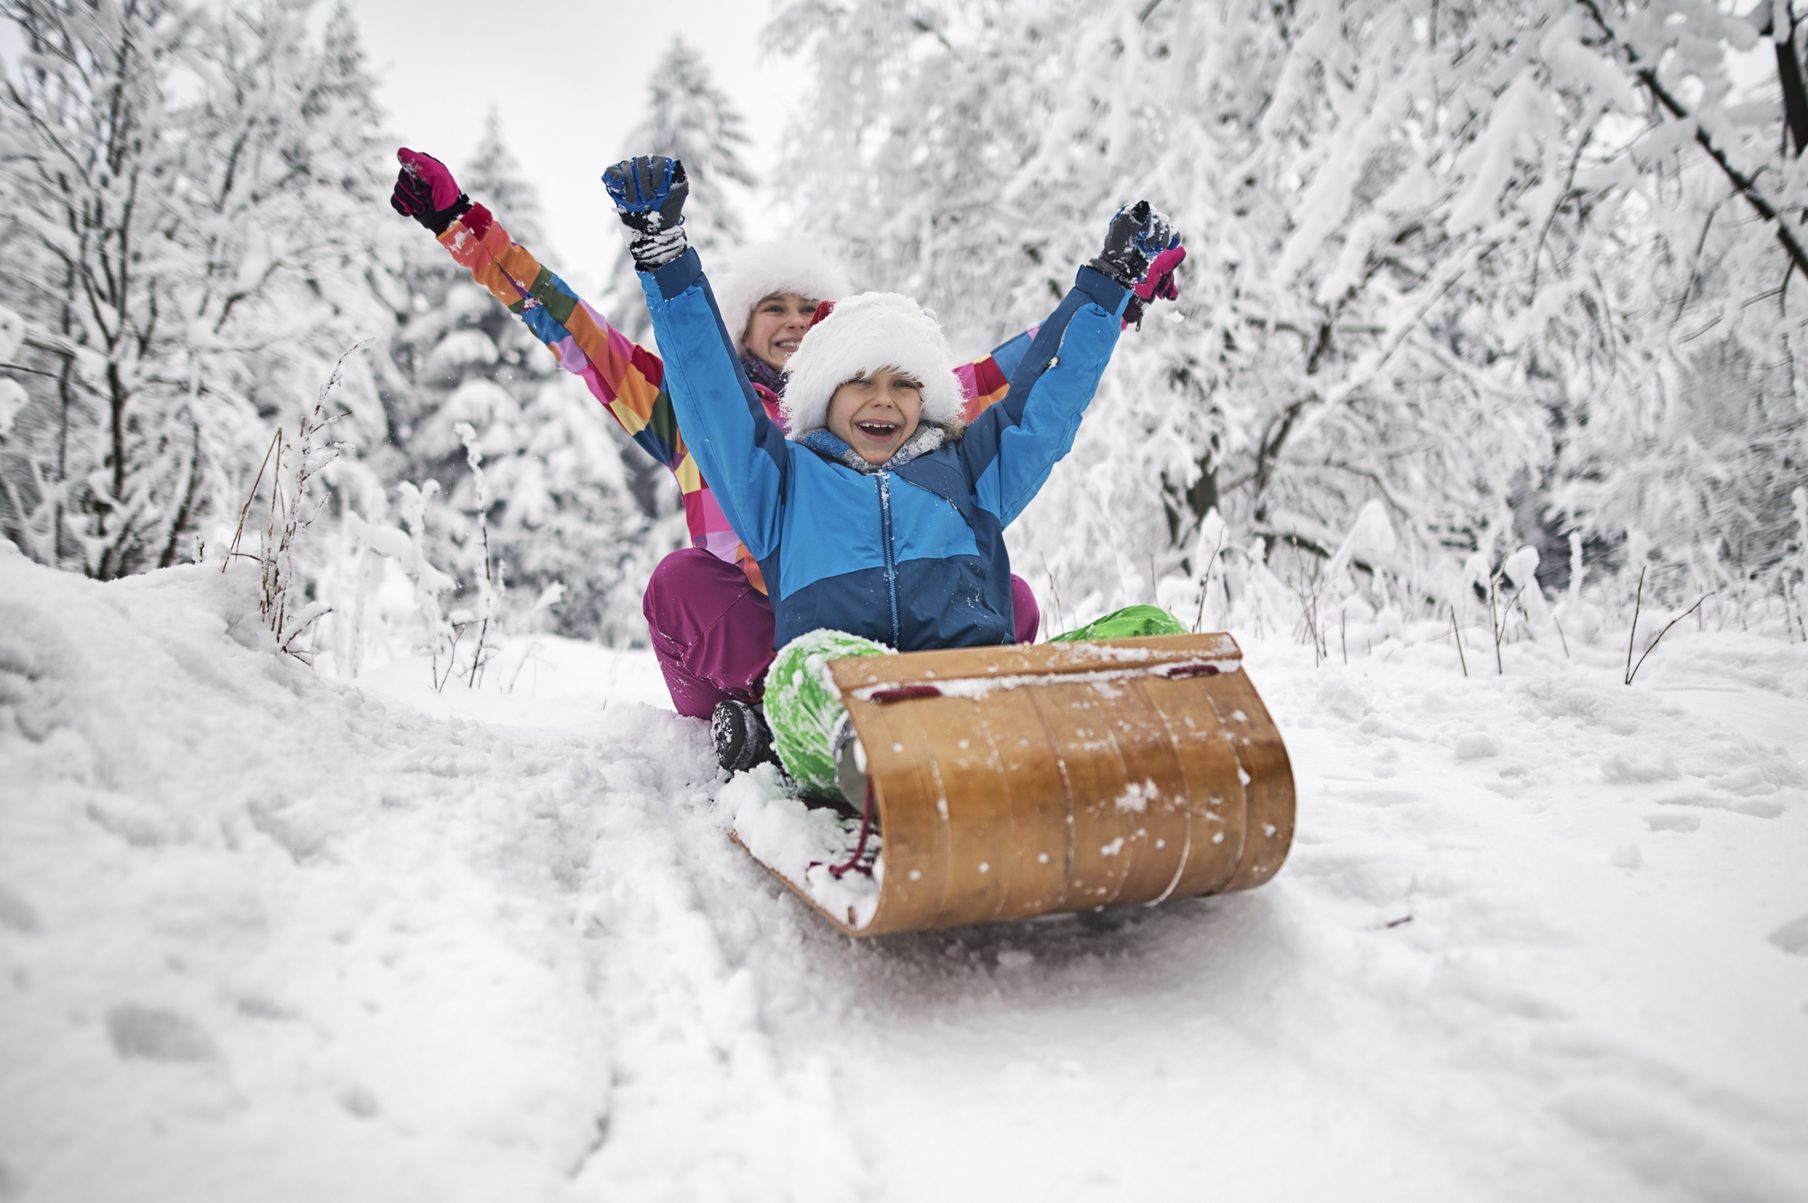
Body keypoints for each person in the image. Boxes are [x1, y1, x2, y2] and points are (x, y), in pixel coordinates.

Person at [388, 150, 1187, 746]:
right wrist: (467, 229)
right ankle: (787, 722)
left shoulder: (894, 407)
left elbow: (1026, 380)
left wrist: (1114, 299)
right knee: (679, 581)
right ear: (738, 323)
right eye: (775, 305)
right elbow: (578, 334)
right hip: (773, 633)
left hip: (908, 619)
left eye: (814, 307)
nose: (797, 319)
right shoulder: (692, 408)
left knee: (1004, 593)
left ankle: (944, 713)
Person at [605, 156, 1188, 798]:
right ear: (822, 398)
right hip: (855, 709)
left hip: (975, 706)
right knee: (802, 670)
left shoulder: (969, 473)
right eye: (858, 383)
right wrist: (665, 257)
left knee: (1146, 629)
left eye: (903, 384)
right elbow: (711, 395)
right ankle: (878, 766)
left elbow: (1044, 403)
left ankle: (1159, 752)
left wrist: (1107, 287)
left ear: (928, 398)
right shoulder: (783, 486)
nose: (883, 400)